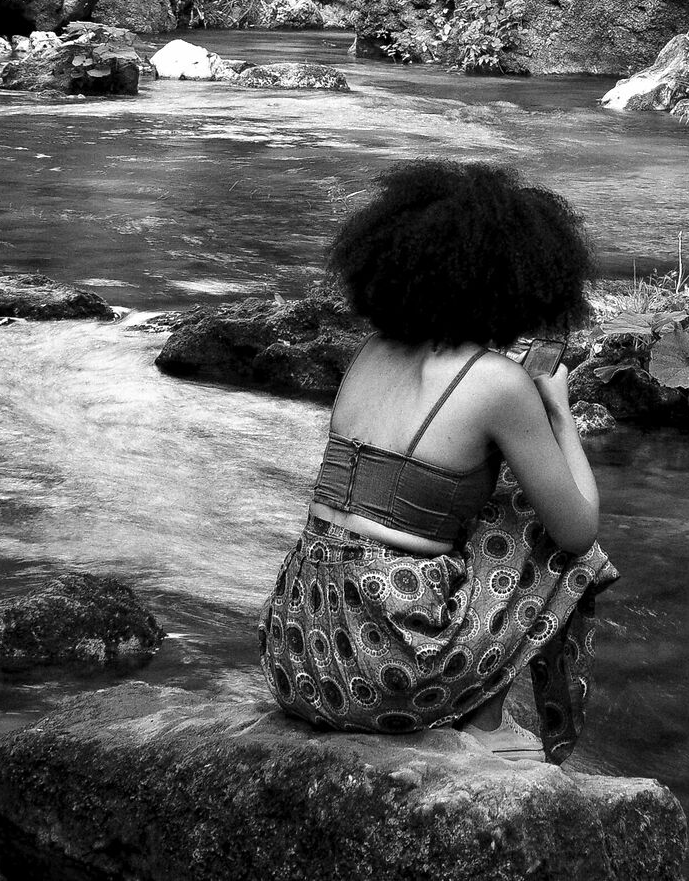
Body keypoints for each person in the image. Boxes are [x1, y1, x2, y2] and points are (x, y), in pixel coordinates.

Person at [258, 161, 613, 765]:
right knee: (538, 524)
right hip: (387, 672)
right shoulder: (497, 383)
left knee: (477, 497)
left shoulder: (371, 352)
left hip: (297, 655)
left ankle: (473, 713)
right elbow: (579, 531)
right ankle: (484, 723)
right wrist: (558, 413)